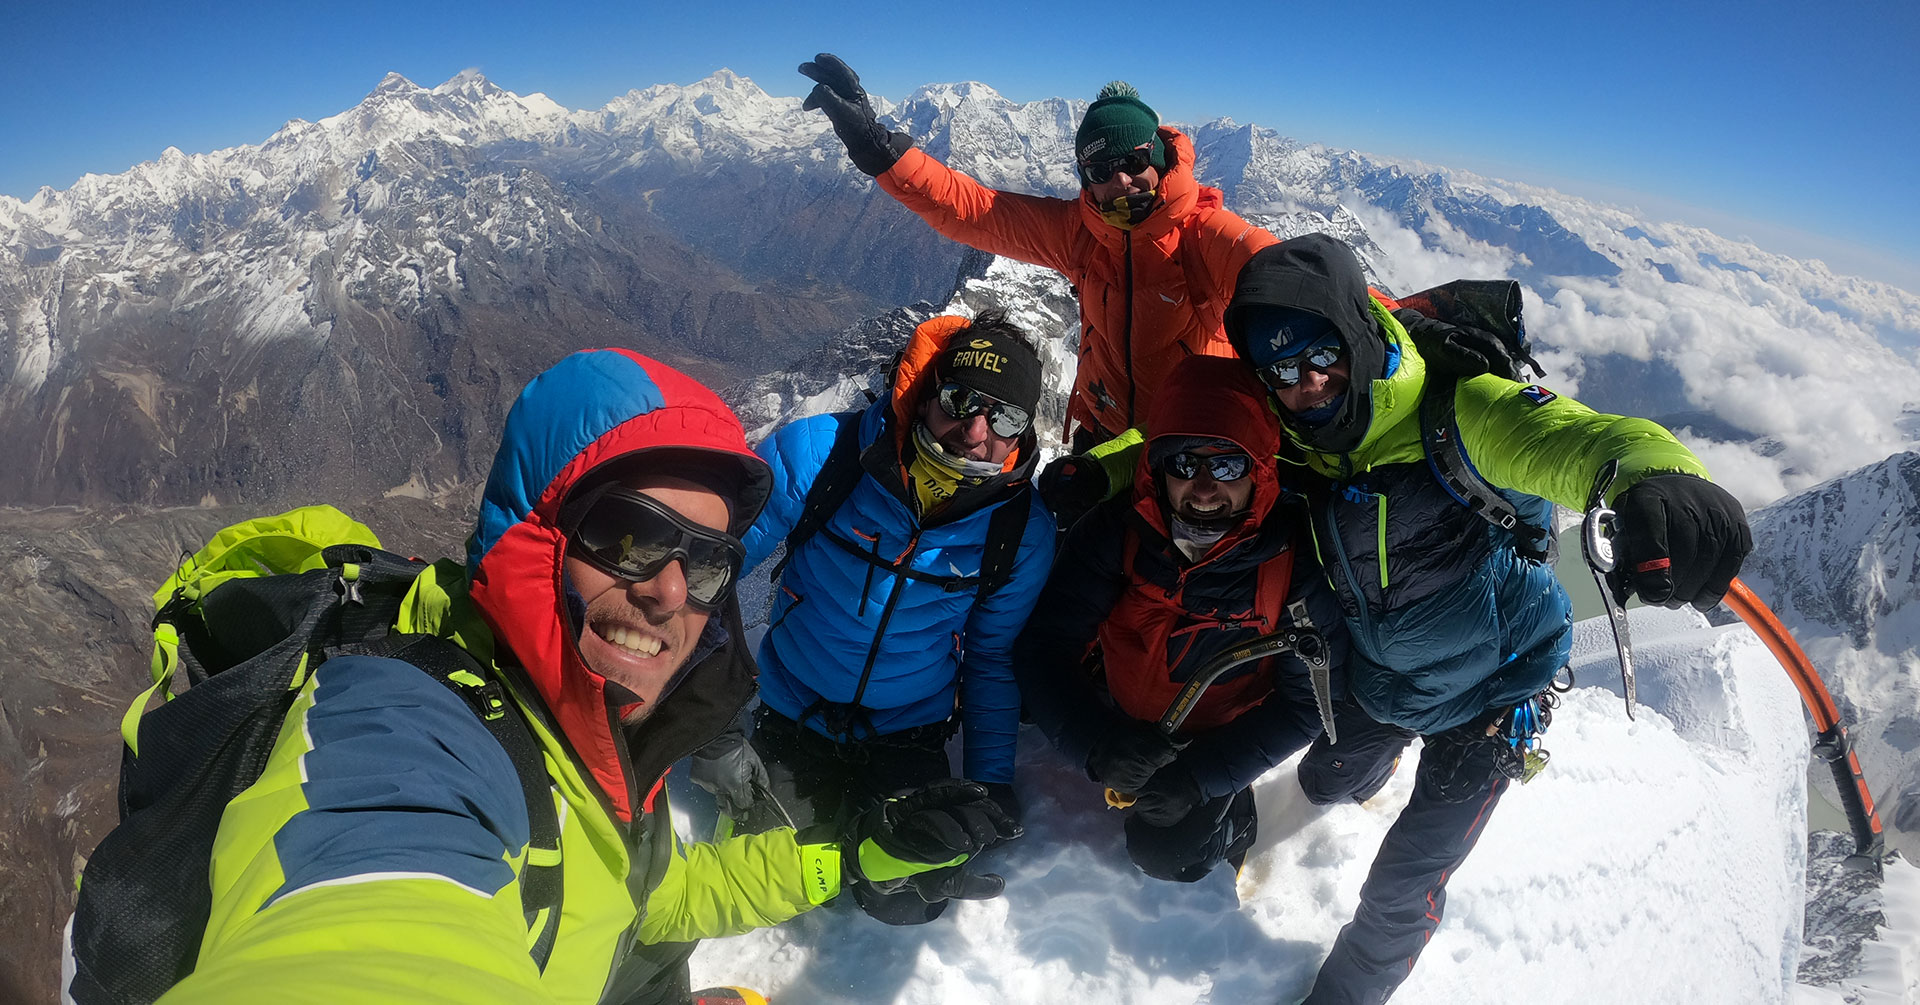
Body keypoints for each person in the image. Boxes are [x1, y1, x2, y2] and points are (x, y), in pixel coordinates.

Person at [69, 349, 1017, 1004]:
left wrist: (850, 857)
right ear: (535, 539)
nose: (671, 590)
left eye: (708, 561)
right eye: (630, 536)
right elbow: (370, 914)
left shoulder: (590, 738)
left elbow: (650, 896)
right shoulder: (404, 722)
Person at [1219, 234, 1753, 1004]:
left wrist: (1663, 479)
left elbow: (1584, 439)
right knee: (1322, 780)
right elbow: (1189, 433)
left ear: (1357, 333)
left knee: (1402, 883)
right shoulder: (1298, 439)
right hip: (1386, 677)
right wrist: (1096, 475)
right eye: (1281, 371)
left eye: (1322, 356)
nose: (1306, 385)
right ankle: (1369, 765)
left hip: (1493, 702)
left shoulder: (1462, 413)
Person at [735, 310, 1056, 926]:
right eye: (961, 400)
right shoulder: (825, 455)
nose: (975, 431)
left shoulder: (1020, 529)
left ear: (1024, 429)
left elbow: (990, 658)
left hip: (907, 732)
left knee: (910, 893)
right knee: (764, 876)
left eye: (1004, 417)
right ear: (927, 394)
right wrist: (709, 719)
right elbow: (710, 572)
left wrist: (988, 785)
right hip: (793, 710)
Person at [797, 53, 1278, 451]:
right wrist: (878, 148)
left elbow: (1282, 272)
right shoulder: (1082, 233)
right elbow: (975, 211)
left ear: (1156, 158)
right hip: (1102, 438)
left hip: (1195, 444)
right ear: (1086, 178)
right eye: (1100, 170)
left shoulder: (1204, 234)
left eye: (1133, 162)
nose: (1120, 181)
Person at [1013, 355, 1347, 882]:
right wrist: (1096, 742)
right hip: (1119, 702)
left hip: (1212, 738)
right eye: (1185, 465)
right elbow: (1046, 643)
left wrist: (1200, 777)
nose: (1205, 488)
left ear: (1260, 470)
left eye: (1228, 465)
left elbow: (1305, 707)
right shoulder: (1117, 531)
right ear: (1158, 469)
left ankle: (1232, 818)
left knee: (1170, 853)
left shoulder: (1294, 565)